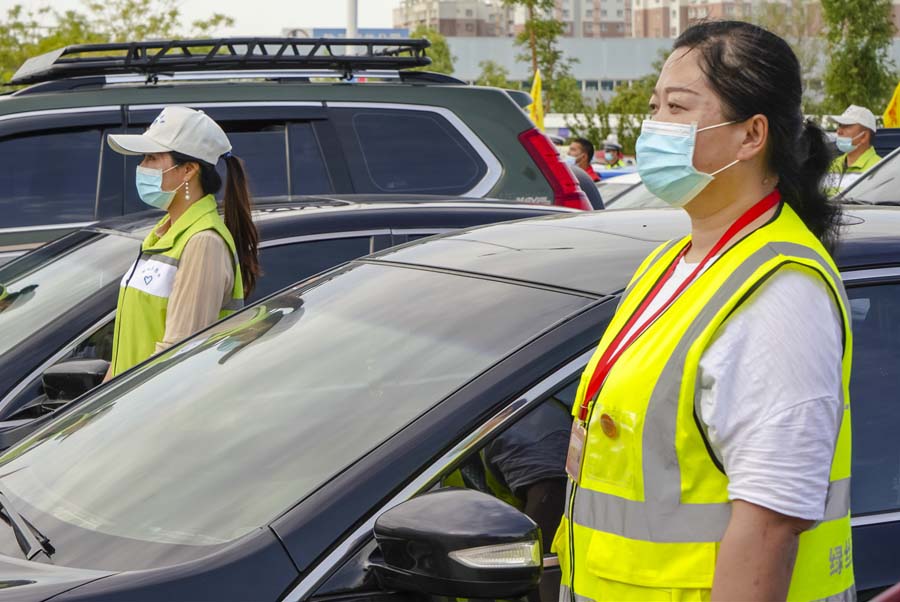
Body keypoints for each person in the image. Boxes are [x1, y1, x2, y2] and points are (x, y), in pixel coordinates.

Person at [555, 21, 853, 602]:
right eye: (654, 106)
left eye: (677, 107)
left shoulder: (779, 292)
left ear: (751, 135)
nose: (654, 126)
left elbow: (770, 522)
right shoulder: (674, 264)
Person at [104, 106, 260, 378]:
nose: (142, 168)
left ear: (188, 170)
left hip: (150, 409)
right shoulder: (163, 234)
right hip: (125, 409)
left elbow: (176, 355)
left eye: (152, 158)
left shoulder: (203, 242)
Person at [826, 104, 881, 195]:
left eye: (847, 126)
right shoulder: (833, 165)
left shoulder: (879, 168)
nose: (839, 131)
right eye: (840, 125)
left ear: (864, 136)